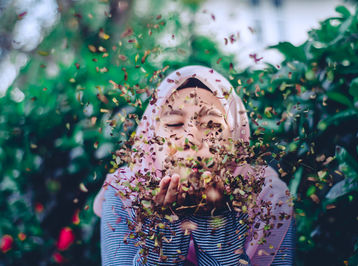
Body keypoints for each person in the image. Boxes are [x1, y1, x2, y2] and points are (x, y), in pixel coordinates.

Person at [93, 65, 296, 265]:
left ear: (235, 139)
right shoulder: (126, 192)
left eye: (211, 125)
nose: (191, 139)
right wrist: (164, 231)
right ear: (151, 136)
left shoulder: (267, 197)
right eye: (174, 124)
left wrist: (217, 228)